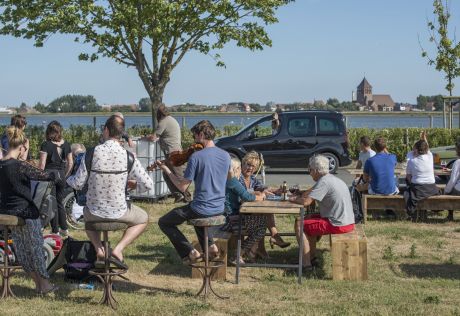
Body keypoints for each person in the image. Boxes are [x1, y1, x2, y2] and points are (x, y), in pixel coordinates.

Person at [67, 115, 153, 268]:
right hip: (120, 212)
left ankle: (99, 248)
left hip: (94, 212)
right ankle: (119, 249)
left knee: (87, 215)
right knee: (144, 218)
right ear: (121, 133)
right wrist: (131, 188)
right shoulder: (129, 156)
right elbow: (148, 184)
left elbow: (78, 184)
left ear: (106, 130)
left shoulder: (91, 153)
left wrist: (66, 178)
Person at [157, 120, 230, 264]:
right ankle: (211, 247)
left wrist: (167, 170)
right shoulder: (226, 155)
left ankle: (191, 252)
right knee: (196, 212)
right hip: (220, 207)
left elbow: (182, 187)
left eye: (195, 137)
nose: (194, 141)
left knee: (164, 222)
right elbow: (228, 178)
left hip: (202, 208)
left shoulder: (196, 157)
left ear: (201, 135)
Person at [0, 126, 58, 294]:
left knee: (22, 250)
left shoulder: (1, 165)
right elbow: (46, 176)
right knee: (36, 247)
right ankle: (44, 285)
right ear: (21, 147)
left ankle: (38, 283)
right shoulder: (20, 166)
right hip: (24, 211)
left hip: (6, 210)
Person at [290, 155, 355, 269]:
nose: (309, 173)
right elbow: (309, 193)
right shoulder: (330, 178)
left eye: (309, 170)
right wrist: (300, 193)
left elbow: (306, 202)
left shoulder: (324, 182)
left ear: (316, 170)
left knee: (300, 224)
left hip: (338, 224)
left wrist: (291, 199)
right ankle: (311, 257)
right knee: (307, 218)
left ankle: (306, 264)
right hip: (346, 220)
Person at [239, 151, 291, 251]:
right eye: (248, 164)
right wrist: (258, 193)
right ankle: (273, 238)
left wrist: (276, 191)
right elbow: (243, 193)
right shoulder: (239, 177)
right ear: (243, 163)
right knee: (264, 215)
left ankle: (271, 240)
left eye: (253, 167)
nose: (250, 168)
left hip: (249, 211)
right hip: (240, 212)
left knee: (266, 210)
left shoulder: (252, 178)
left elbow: (262, 188)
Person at [225, 157, 266, 264]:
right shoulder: (232, 181)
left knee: (260, 221)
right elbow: (247, 196)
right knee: (260, 227)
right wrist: (260, 197)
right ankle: (238, 255)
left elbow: (245, 194)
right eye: (238, 168)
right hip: (229, 219)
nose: (240, 171)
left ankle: (247, 252)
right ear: (235, 169)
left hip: (229, 216)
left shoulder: (228, 180)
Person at [39, 121, 73, 236]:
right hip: (61, 175)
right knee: (60, 203)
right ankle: (64, 228)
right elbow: (70, 163)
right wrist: (65, 174)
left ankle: (55, 230)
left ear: (49, 132)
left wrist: (40, 176)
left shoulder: (46, 144)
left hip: (50, 176)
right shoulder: (67, 144)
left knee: (52, 204)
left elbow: (42, 165)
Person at [404, 132, 439, 221]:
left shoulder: (412, 161)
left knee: (407, 191)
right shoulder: (430, 156)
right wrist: (423, 138)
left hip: (418, 189)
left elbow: (408, 177)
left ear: (416, 150)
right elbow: (426, 146)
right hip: (431, 188)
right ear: (426, 150)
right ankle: (421, 213)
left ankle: (412, 213)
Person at [444, 139, 460, 220]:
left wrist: (446, 191)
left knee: (449, 189)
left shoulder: (458, 162)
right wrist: (452, 170)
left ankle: (450, 215)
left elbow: (453, 180)